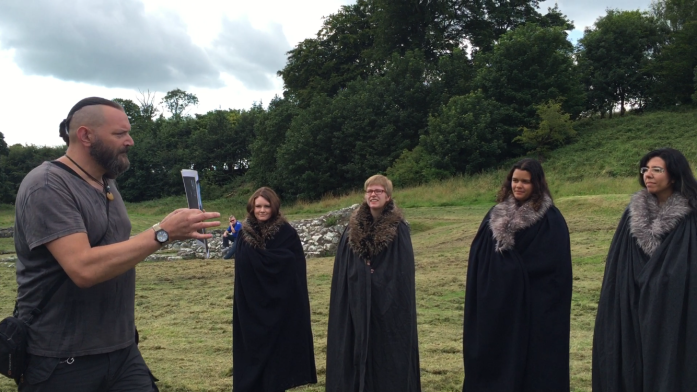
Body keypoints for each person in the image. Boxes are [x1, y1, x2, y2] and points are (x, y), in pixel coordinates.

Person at [13, 97, 220, 392]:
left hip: (121, 351)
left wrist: (168, 229)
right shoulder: (47, 186)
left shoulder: (106, 183)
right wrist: (162, 233)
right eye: (120, 134)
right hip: (60, 359)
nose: (130, 141)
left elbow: (118, 250)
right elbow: (83, 268)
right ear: (86, 135)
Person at [462, 158, 572, 392]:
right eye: (514, 180)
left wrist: (506, 270)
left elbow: (552, 266)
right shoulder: (495, 214)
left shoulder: (550, 220)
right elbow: (480, 254)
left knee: (533, 363)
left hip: (533, 307)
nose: (518, 186)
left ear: (537, 184)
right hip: (497, 304)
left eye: (525, 181)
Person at [593, 148, 697, 392]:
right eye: (645, 169)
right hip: (631, 302)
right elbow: (618, 265)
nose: (648, 175)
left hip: (677, 305)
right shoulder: (632, 216)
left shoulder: (691, 217)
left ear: (673, 175)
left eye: (656, 170)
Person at [325, 175, 421, 392]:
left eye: (378, 191)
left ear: (388, 196)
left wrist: (375, 277)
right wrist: (360, 275)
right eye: (369, 191)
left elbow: (401, 272)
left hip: (388, 305)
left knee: (386, 351)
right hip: (355, 300)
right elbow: (344, 268)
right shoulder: (351, 230)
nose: (373, 194)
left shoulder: (399, 230)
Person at [232, 187, 316, 392]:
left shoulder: (286, 233)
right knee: (252, 355)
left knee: (277, 360)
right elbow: (242, 266)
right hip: (251, 306)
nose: (262, 210)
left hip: (281, 306)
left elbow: (294, 266)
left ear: (274, 206)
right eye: (258, 206)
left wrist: (266, 262)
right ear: (252, 207)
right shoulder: (244, 235)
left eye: (266, 206)